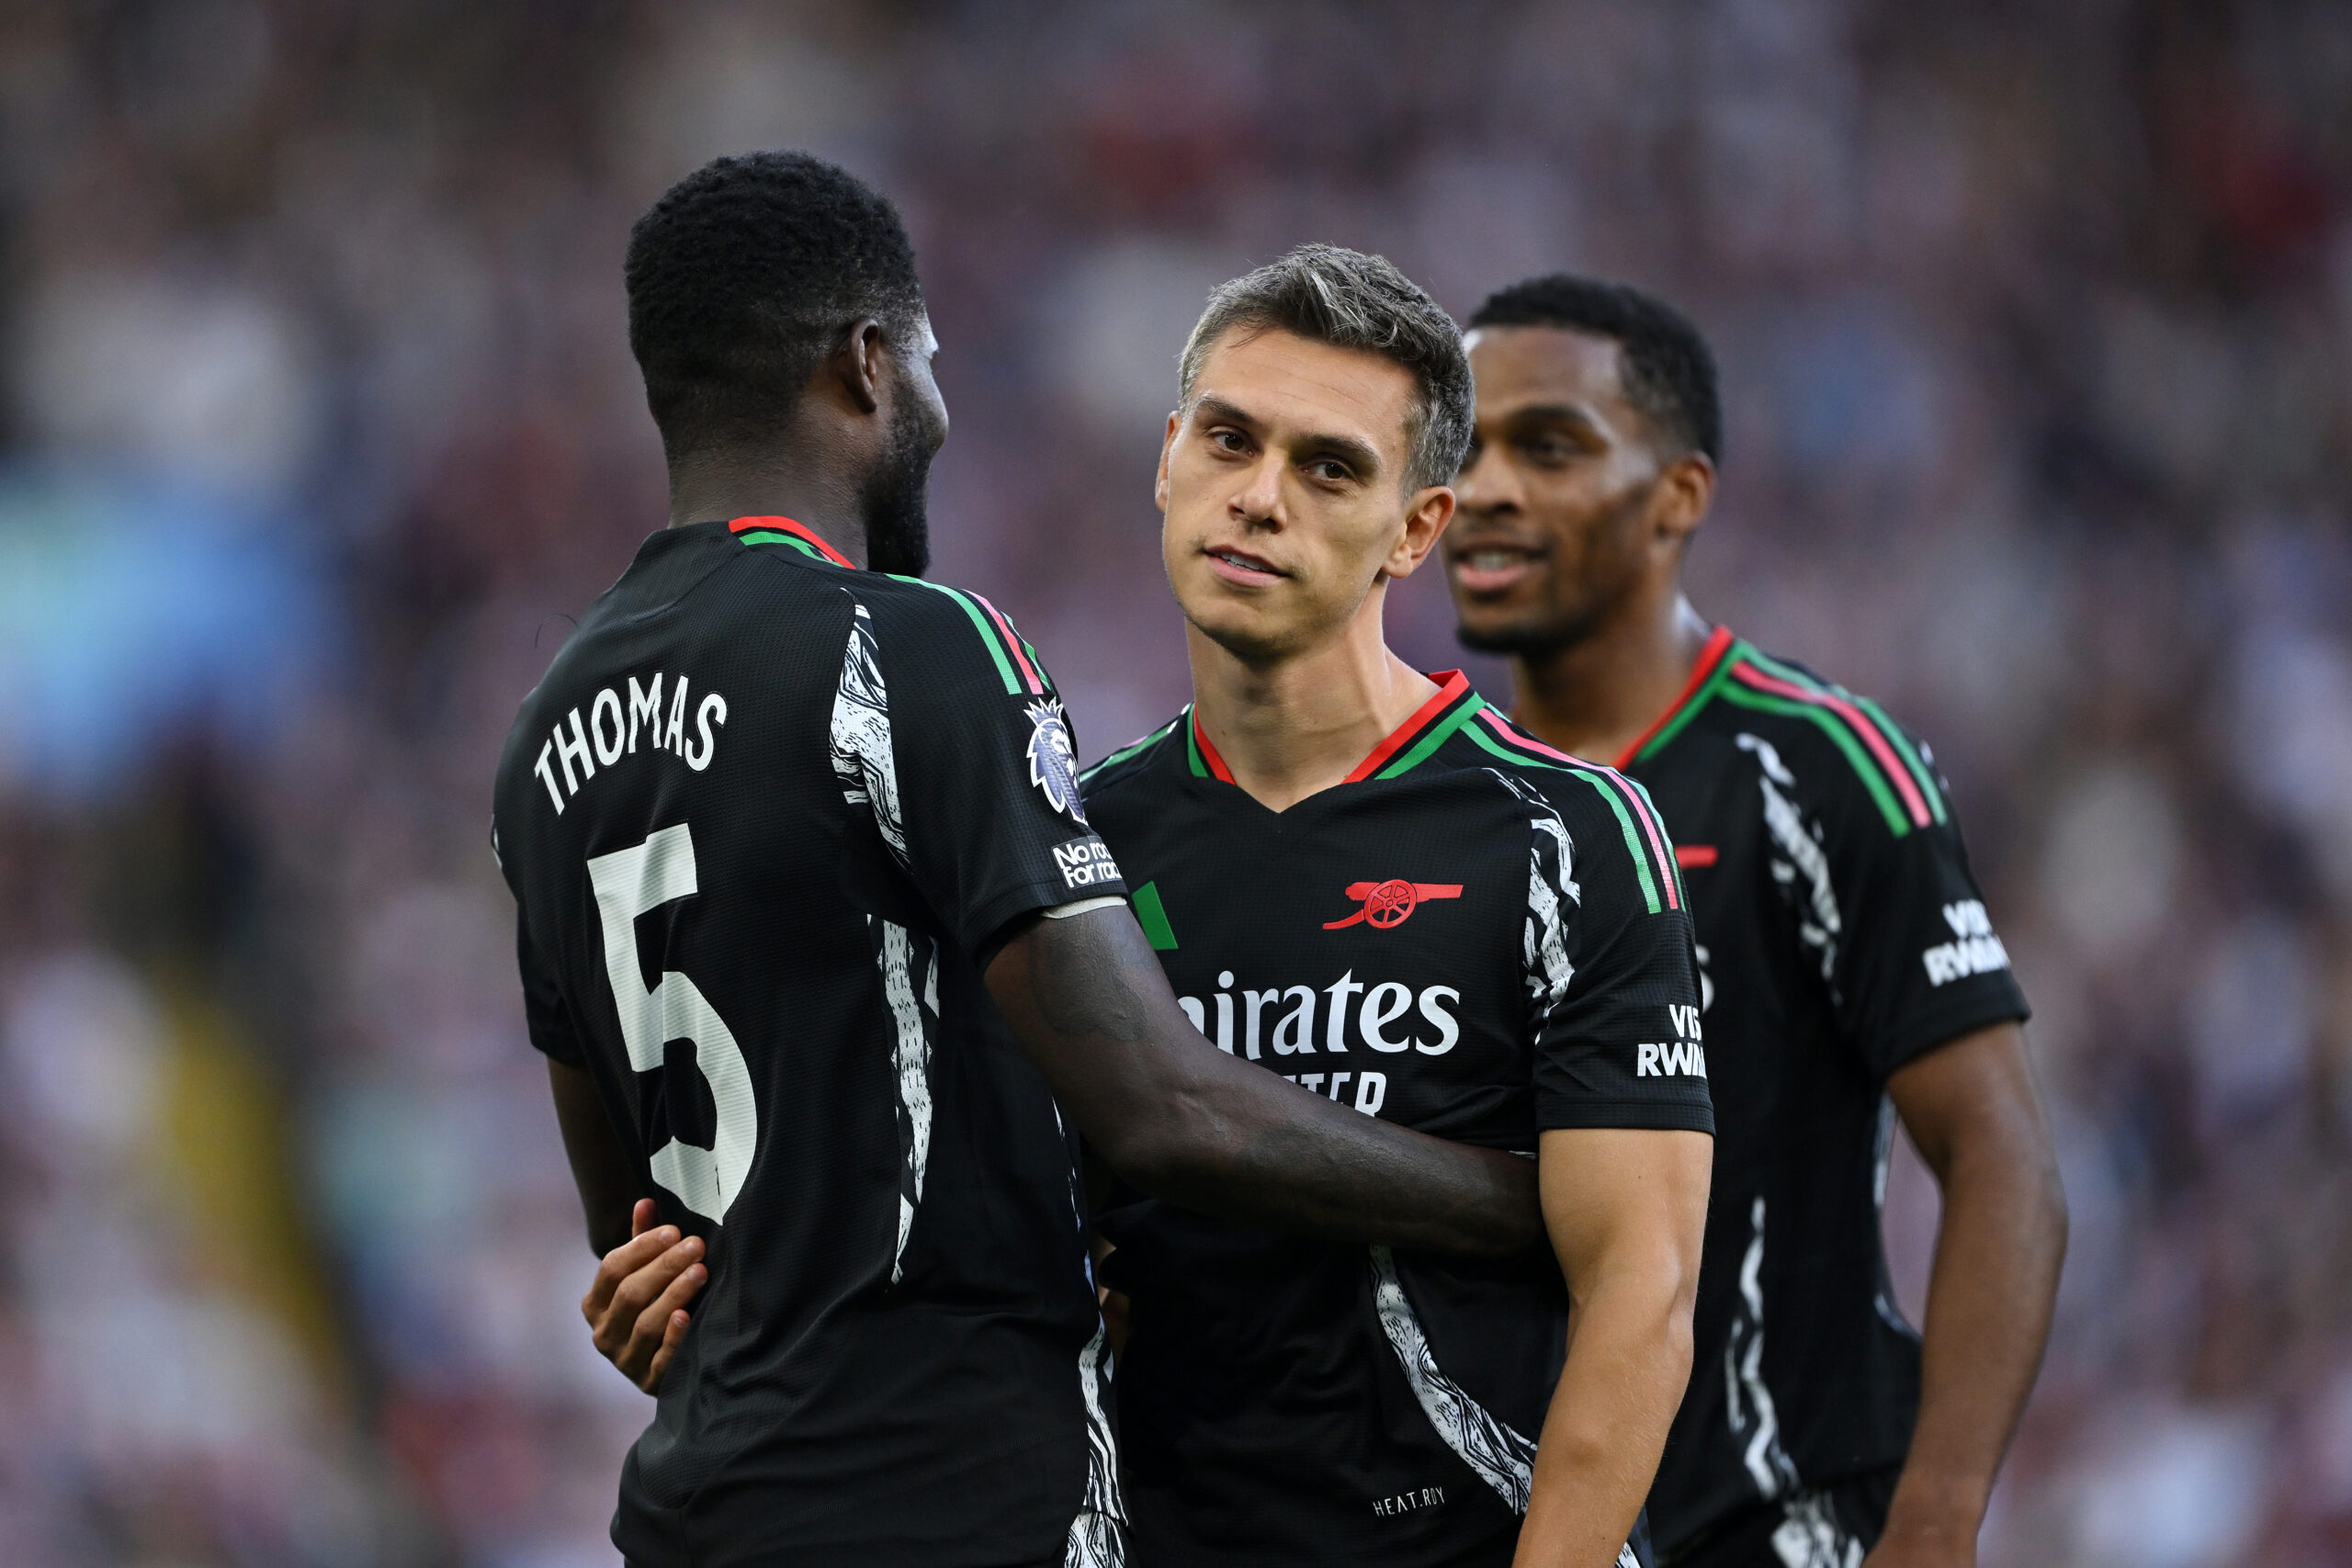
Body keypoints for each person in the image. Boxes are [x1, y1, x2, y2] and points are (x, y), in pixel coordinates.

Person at [492, 152, 1549, 1568]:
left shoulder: (541, 738)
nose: (943, 405)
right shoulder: (908, 644)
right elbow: (1162, 1106)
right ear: (866, 367)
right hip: (949, 1496)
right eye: (926, 360)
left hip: (700, 1510)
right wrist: (1534, 1204)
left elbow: (637, 1235)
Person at [1078, 245, 1713, 1568]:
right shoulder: (1069, 843)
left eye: (1329, 467)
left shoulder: (1570, 835)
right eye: (1229, 439)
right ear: (1167, 458)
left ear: (1418, 530)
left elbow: (1640, 1293)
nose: (1258, 499)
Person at [1441, 274, 2066, 1568]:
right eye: (1465, 446)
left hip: (1786, 1523)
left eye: (1548, 446)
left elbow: (2002, 1155)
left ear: (1678, 496)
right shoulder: (1420, 801)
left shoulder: (1820, 769)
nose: (1487, 488)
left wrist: (1937, 1520)